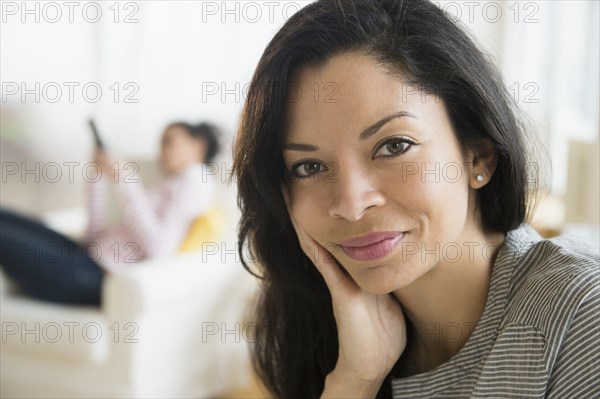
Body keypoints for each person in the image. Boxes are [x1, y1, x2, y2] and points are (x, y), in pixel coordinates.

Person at [231, 1, 600, 398]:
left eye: (394, 146)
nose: (352, 204)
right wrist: (356, 380)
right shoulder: (324, 334)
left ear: (478, 155)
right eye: (308, 168)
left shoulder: (582, 317)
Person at [0, 121, 220, 305]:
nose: (161, 152)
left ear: (197, 145)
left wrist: (125, 179)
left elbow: (159, 248)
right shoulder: (169, 186)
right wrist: (97, 179)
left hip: (91, 277)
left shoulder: (194, 181)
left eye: (169, 142)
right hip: (84, 257)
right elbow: (94, 237)